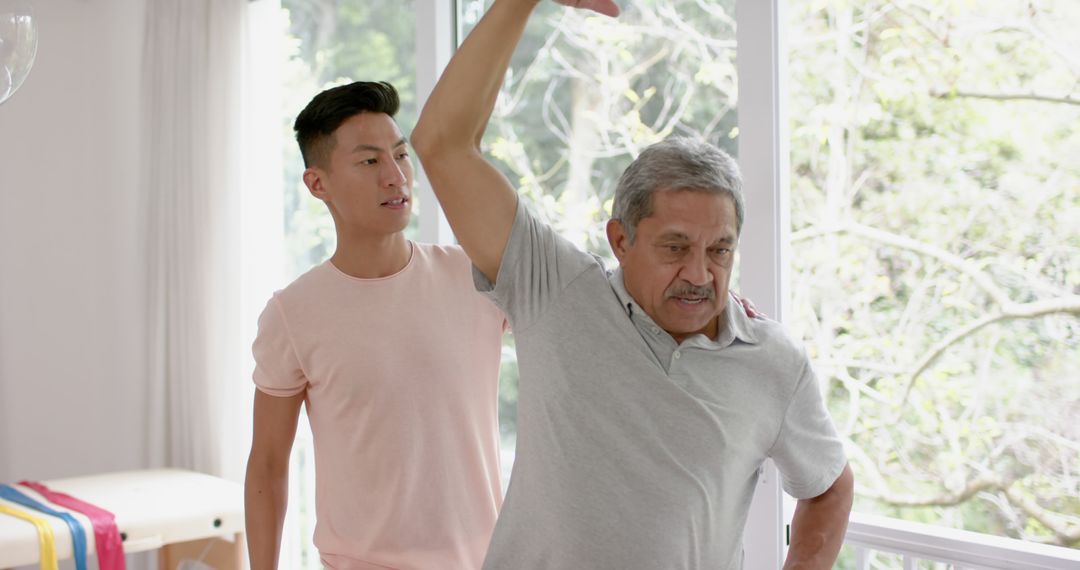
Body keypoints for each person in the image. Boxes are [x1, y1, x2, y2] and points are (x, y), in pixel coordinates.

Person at [411, 0, 855, 568]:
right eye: (675, 248)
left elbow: (828, 485)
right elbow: (442, 144)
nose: (699, 275)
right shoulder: (556, 291)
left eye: (719, 250)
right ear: (620, 239)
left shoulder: (774, 362)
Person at [243, 81, 507, 570]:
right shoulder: (293, 313)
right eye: (369, 161)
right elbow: (267, 463)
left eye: (401, 155)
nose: (395, 176)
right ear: (317, 184)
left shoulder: (476, 277)